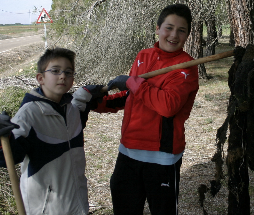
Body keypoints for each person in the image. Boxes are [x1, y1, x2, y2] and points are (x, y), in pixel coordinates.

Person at [78, 3, 197, 214]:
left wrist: (133, 83)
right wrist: (97, 102)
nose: (173, 35)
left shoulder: (186, 67)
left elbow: (168, 105)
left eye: (181, 30)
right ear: (158, 28)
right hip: (128, 151)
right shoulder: (144, 56)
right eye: (168, 27)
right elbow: (130, 96)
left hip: (162, 157)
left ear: (187, 35)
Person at [0, 48, 117, 214]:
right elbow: (4, 159)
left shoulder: (71, 110)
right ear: (40, 78)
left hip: (77, 202)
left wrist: (88, 93)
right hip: (46, 208)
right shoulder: (29, 114)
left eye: (68, 72)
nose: (62, 76)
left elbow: (79, 109)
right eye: (55, 71)